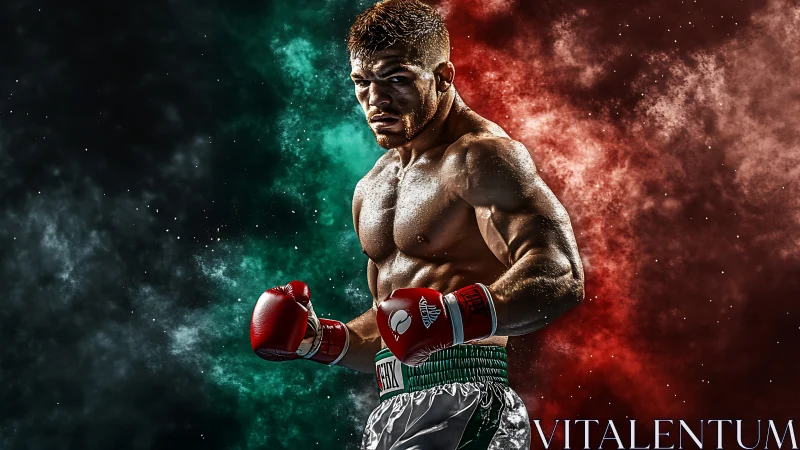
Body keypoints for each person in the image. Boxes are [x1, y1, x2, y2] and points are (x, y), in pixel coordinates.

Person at [249, 0, 585, 448]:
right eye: (362, 83)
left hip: (467, 400)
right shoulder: (371, 187)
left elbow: (560, 274)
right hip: (393, 405)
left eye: (397, 79)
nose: (376, 100)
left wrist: (451, 316)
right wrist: (324, 340)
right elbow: (397, 333)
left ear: (443, 77)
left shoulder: (480, 157)